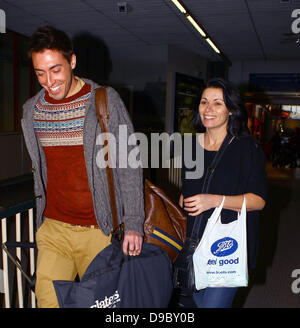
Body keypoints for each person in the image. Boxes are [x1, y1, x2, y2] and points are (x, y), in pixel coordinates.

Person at [21, 25, 144, 308]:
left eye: (56, 70)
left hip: (97, 231)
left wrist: (134, 222)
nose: (48, 81)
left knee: (98, 305)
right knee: (48, 303)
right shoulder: (32, 111)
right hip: (54, 228)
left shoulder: (102, 101)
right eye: (40, 72)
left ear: (72, 62)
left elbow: (129, 164)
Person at [178, 77, 267, 308]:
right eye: (204, 102)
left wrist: (214, 201)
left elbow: (258, 201)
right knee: (194, 303)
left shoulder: (247, 149)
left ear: (231, 110)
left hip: (228, 247)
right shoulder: (191, 146)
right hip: (194, 245)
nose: (208, 109)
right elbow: (190, 189)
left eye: (218, 103)